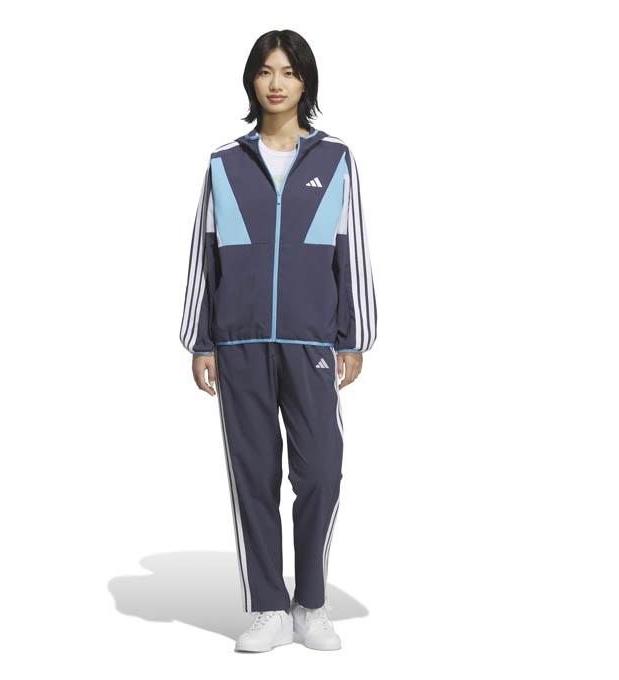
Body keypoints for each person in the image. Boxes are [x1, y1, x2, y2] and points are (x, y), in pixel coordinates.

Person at [179, 29, 377, 653]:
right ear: (252, 80)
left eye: (288, 72)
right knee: (254, 475)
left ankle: (310, 602)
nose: (276, 83)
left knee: (320, 471)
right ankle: (269, 607)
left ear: (305, 82)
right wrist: (199, 340)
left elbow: (352, 250)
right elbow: (204, 254)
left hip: (310, 341)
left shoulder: (335, 159)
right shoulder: (224, 163)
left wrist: (355, 336)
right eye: (266, 71)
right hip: (238, 343)